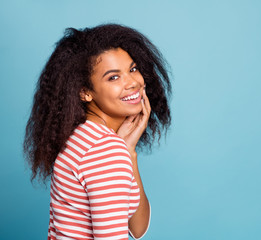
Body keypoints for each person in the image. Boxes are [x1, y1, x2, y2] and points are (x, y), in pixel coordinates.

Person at [23, 24, 171, 240]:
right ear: (85, 92)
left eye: (132, 69)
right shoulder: (105, 152)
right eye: (113, 77)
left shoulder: (81, 138)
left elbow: (137, 229)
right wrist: (118, 152)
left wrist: (128, 151)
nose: (133, 83)